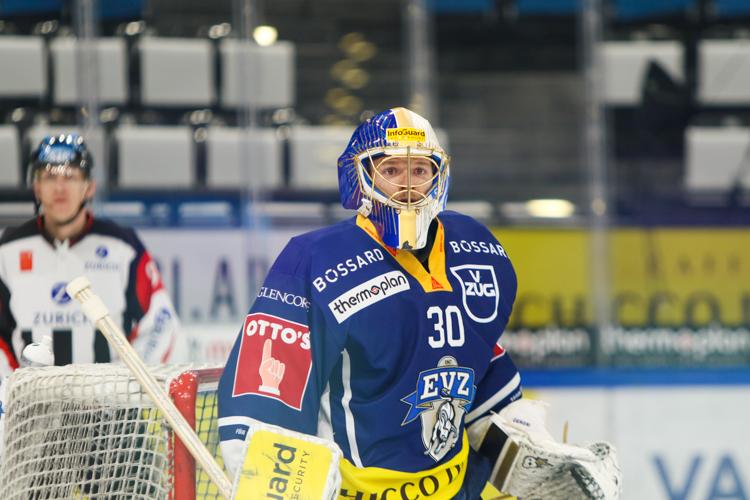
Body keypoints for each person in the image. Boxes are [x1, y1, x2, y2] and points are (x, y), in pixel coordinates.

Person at [217, 107, 619, 498]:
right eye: (391, 170)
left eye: (420, 170)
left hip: (457, 487)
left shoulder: (479, 250)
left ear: (438, 176)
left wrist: (523, 444)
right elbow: (265, 394)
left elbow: (480, 368)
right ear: (361, 177)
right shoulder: (315, 261)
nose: (408, 185)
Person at [0, 133, 187, 378]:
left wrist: (130, 386)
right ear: (37, 187)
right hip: (29, 401)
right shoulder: (7, 249)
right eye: (50, 177)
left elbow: (160, 324)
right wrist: (9, 389)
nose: (60, 188)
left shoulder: (123, 247)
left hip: (109, 401)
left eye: (70, 177)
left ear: (89, 187)